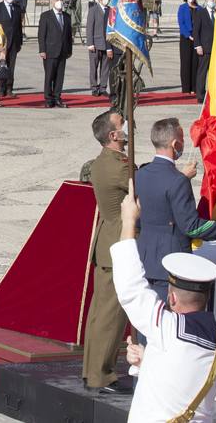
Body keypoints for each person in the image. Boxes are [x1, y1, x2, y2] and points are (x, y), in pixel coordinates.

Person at [113, 183, 216, 421]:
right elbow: (183, 378)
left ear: (172, 296)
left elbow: (131, 287)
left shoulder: (167, 329)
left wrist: (128, 222)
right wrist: (150, 358)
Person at [135, 118, 216, 301]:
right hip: (170, 261)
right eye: (182, 140)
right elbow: (191, 227)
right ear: (175, 143)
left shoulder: (141, 174)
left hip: (145, 258)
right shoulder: (177, 181)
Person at [79, 110, 133, 395]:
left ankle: (92, 370)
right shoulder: (120, 166)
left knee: (100, 313)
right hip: (118, 242)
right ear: (113, 135)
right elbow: (139, 189)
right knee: (111, 315)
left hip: (106, 243)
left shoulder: (101, 162)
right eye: (122, 125)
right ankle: (101, 374)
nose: (126, 128)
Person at [37, 0, 73, 108]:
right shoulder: (46, 16)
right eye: (57, 0)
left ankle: (57, 98)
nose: (60, 2)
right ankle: (48, 99)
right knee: (49, 76)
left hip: (63, 51)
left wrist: (69, 50)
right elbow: (41, 34)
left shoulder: (67, 17)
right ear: (52, 2)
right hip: (50, 51)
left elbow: (68, 35)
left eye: (61, 0)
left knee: (59, 77)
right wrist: (42, 50)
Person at [0, 0, 24, 98]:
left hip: (14, 41)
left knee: (11, 66)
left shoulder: (17, 8)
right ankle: (0, 89)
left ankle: (9, 89)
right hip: (1, 43)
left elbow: (19, 26)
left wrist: (20, 41)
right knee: (1, 65)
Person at [83, 0, 111, 98]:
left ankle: (103, 87)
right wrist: (90, 43)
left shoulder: (110, 10)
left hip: (107, 44)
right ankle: (94, 87)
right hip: (95, 43)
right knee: (93, 67)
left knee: (105, 67)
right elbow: (89, 27)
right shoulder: (94, 10)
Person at [192, 0, 216, 104]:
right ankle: (200, 95)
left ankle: (213, 93)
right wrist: (198, 45)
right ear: (206, 0)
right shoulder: (200, 13)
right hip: (204, 48)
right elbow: (196, 31)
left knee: (214, 73)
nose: (212, 1)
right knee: (202, 72)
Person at [177, 0, 199, 95]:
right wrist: (188, 35)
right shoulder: (182, 8)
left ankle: (194, 87)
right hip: (186, 38)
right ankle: (186, 88)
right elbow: (181, 24)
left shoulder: (199, 8)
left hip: (197, 38)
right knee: (186, 62)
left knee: (195, 63)